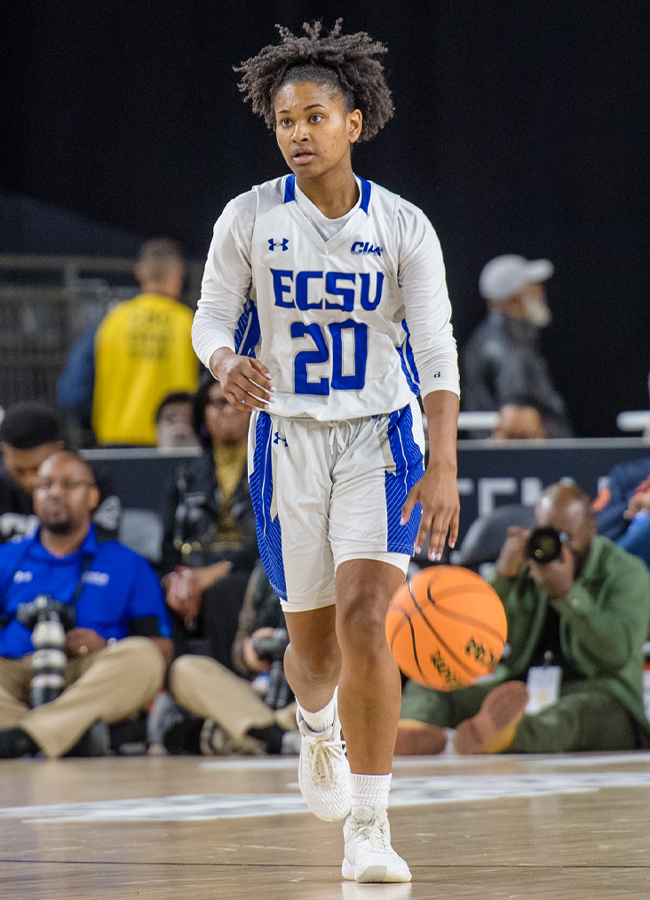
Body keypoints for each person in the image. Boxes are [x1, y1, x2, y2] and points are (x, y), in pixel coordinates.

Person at [191, 21, 460, 884]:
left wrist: (446, 461)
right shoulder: (249, 218)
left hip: (379, 437)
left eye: (313, 116)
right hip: (287, 443)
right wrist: (227, 360)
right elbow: (208, 318)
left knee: (363, 618)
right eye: (283, 120)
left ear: (354, 121)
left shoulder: (405, 227)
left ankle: (371, 827)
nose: (297, 133)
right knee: (313, 655)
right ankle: (317, 730)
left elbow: (439, 351)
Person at [396, 482, 650, 756]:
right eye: (547, 534)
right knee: (434, 684)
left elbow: (618, 652)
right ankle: (410, 731)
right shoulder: (526, 564)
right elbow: (472, 633)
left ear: (591, 529)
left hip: (604, 696)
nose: (555, 546)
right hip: (520, 690)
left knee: (573, 717)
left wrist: (568, 594)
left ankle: (504, 737)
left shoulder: (626, 572)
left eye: (567, 537)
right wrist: (502, 578)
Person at [0, 451, 173, 759]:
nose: (55, 492)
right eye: (45, 485)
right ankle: (66, 734)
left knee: (143, 657)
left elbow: (162, 648)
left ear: (94, 497)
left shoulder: (127, 563)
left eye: (68, 484)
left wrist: (106, 644)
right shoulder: (7, 557)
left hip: (88, 673)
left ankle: (24, 738)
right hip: (15, 672)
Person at [58, 238, 199, 446]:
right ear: (180, 273)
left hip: (116, 444)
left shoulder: (109, 323)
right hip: (177, 443)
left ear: (139, 271)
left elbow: (74, 392)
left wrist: (95, 425)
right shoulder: (191, 325)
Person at [162, 377, 258, 669]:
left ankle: (230, 694)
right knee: (160, 595)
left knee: (224, 592)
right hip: (194, 570)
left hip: (250, 569)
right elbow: (168, 544)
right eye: (218, 402)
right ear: (203, 413)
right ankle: (178, 697)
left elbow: (274, 539)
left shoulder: (273, 468)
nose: (229, 410)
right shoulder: (183, 476)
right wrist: (176, 581)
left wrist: (213, 574)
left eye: (239, 401)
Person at [163, 560, 298, 756]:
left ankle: (260, 735)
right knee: (184, 669)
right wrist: (249, 651)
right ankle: (283, 734)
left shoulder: (335, 558)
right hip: (264, 693)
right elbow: (239, 651)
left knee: (338, 700)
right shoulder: (263, 570)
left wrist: (289, 643)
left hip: (310, 694)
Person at [461, 254, 572, 438]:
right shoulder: (508, 347)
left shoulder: (488, 337)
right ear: (514, 298)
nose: (540, 295)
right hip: (526, 463)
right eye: (533, 289)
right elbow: (517, 422)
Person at [0, 401, 120, 544]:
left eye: (38, 468)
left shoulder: (89, 479)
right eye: (18, 471)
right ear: (4, 452)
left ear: (59, 449)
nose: (29, 480)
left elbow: (106, 544)